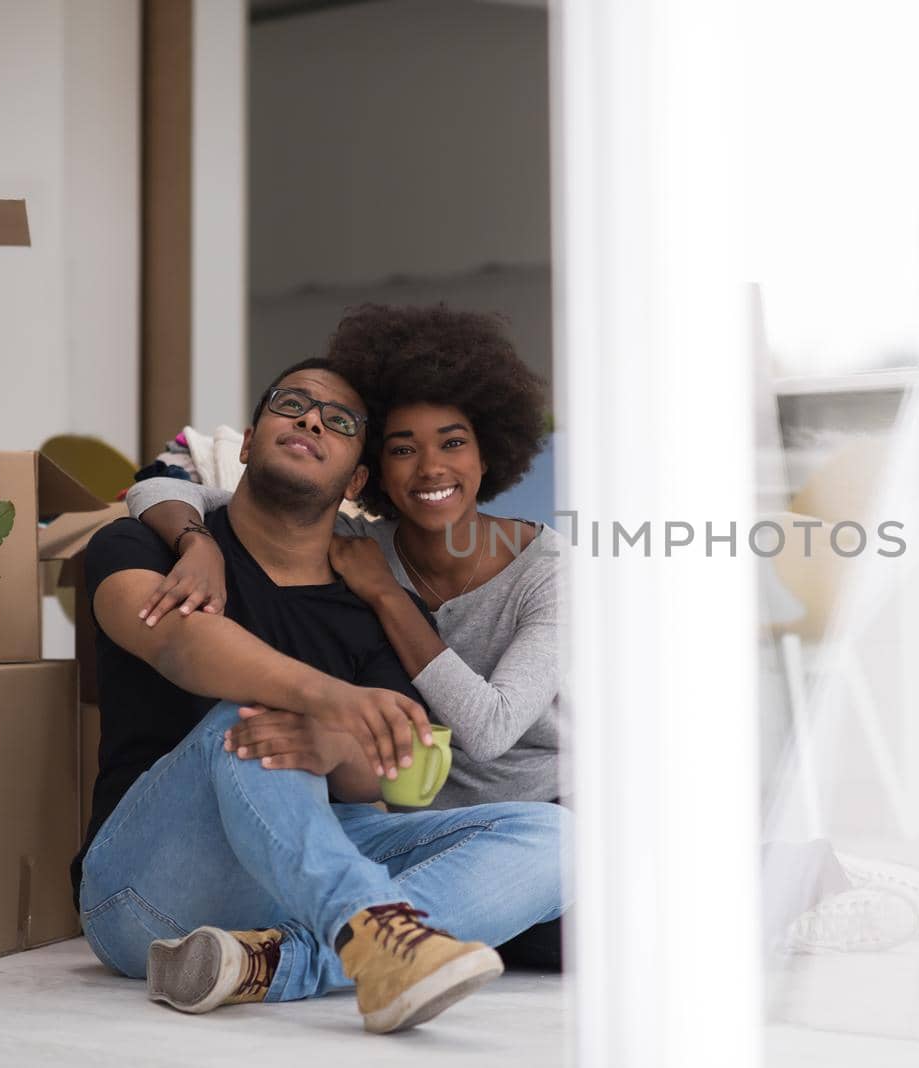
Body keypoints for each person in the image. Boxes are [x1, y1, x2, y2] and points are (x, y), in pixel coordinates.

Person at [126, 304, 919, 963]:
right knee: (511, 935)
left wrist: (389, 601)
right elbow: (175, 478)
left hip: (562, 802)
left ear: (490, 454)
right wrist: (192, 540)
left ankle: (807, 873)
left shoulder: (545, 571)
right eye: (405, 450)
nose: (432, 471)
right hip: (444, 816)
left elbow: (489, 729)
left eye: (453, 444)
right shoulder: (351, 547)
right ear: (371, 471)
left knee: (561, 942)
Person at [76, 356, 568, 1034]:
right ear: (247, 443)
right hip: (143, 891)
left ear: (357, 478)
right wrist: (330, 703)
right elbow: (181, 644)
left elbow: (385, 776)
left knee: (559, 837)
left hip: (291, 881)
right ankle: (369, 937)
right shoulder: (143, 544)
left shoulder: (374, 603)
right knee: (251, 720)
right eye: (292, 404)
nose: (312, 419)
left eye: (339, 421)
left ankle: (285, 963)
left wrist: (335, 742)